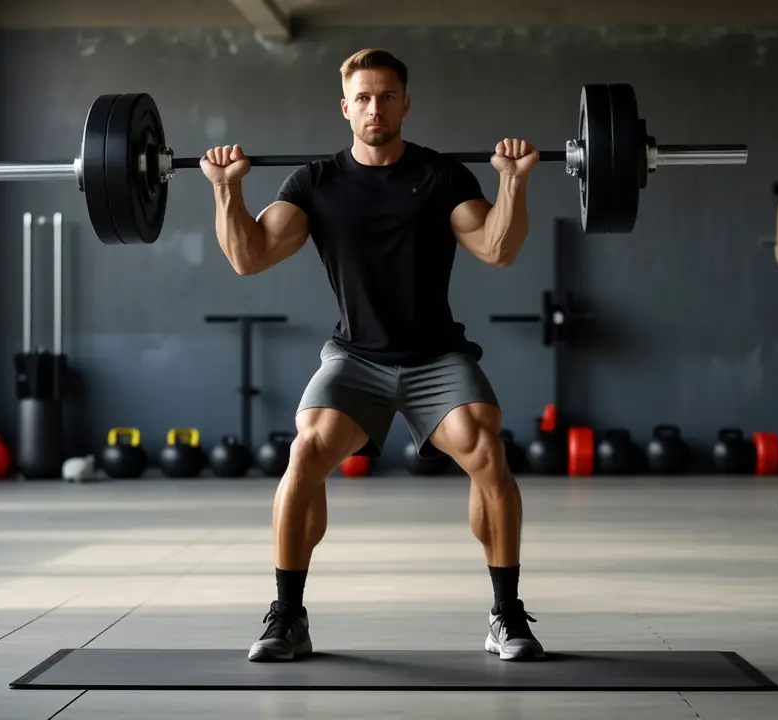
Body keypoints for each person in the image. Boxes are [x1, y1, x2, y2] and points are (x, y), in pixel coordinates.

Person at [200, 48, 543, 663]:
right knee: (305, 450)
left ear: (406, 103)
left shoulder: (442, 177)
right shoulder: (314, 184)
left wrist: (512, 182)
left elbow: (498, 248)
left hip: (436, 356)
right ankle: (288, 614)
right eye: (362, 97)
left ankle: (506, 613)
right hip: (355, 357)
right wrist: (228, 192)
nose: (374, 107)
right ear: (345, 108)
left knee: (486, 448)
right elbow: (248, 256)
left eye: (386, 96)